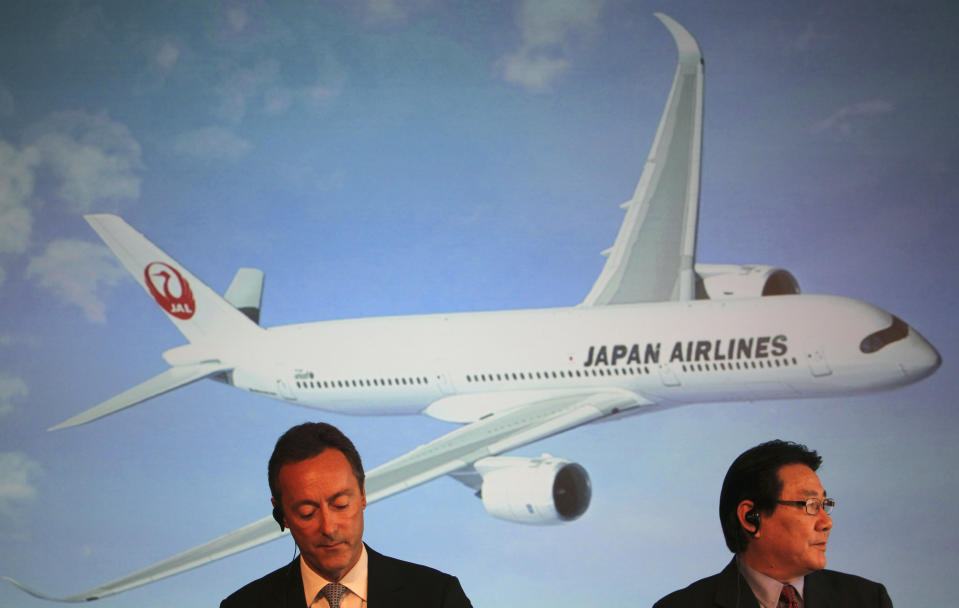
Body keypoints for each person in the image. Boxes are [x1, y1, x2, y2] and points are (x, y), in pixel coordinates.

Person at [221, 422, 472, 608]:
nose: (329, 528)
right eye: (307, 513)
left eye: (340, 505)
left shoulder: (438, 597)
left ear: (363, 495)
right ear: (282, 514)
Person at [654, 439, 892, 607]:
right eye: (810, 505)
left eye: (824, 504)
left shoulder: (868, 599)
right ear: (750, 517)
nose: (826, 522)